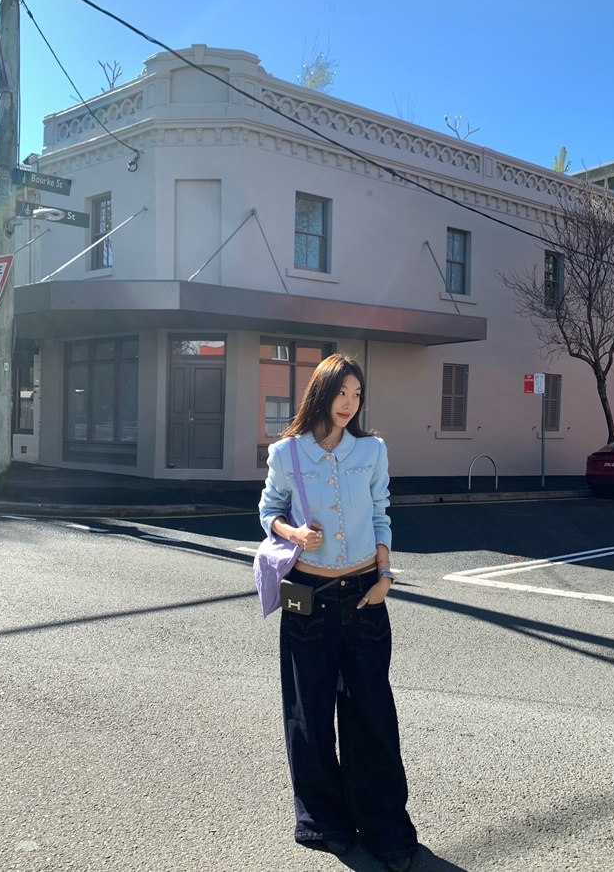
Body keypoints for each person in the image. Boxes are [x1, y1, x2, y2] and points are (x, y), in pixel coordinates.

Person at [258, 353, 418, 872]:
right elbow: (268, 510)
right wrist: (293, 532)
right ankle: (323, 820)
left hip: (365, 593)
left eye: (357, 394)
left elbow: (381, 512)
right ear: (321, 393)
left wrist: (385, 575)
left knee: (372, 711)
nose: (349, 403)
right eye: (341, 392)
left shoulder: (371, 450)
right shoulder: (287, 452)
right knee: (309, 711)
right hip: (308, 594)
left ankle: (385, 823)